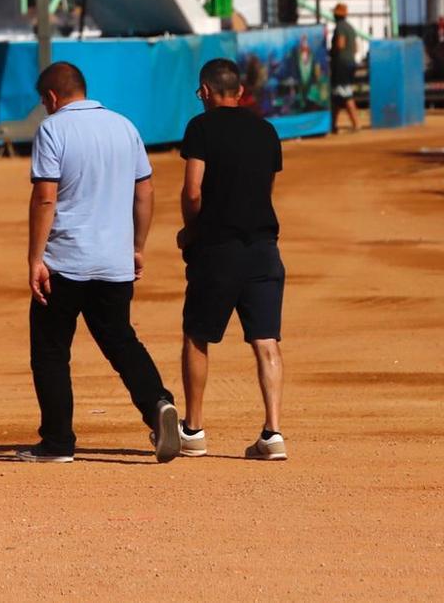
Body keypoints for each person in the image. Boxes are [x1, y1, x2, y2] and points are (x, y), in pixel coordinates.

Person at [20, 61, 181, 464]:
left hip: (66, 259)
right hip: (113, 260)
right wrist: (137, 245)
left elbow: (45, 196)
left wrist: (35, 258)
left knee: (51, 351)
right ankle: (157, 404)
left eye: (44, 102)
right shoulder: (124, 127)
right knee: (121, 340)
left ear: (52, 97)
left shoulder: (53, 129)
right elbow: (144, 192)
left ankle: (57, 442)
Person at [174, 58, 288, 461]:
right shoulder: (267, 130)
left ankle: (194, 430)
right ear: (239, 92)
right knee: (266, 341)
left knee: (197, 335)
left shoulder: (200, 128)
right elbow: (266, 189)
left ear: (205, 91)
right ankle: (273, 433)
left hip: (218, 249)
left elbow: (192, 190)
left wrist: (192, 231)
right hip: (263, 248)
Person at [329, 2, 363, 134]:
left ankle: (356, 123)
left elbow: (340, 44)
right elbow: (355, 48)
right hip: (350, 63)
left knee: (345, 93)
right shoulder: (350, 27)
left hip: (341, 64)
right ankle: (333, 125)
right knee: (337, 96)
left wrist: (332, 52)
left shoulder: (340, 28)